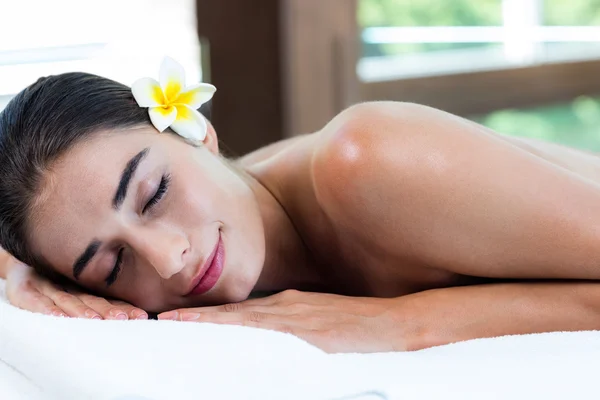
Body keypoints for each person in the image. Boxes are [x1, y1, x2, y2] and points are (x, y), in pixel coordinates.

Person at [2, 59, 600, 354]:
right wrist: (26, 275)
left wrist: (400, 323)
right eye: (110, 265)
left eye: (154, 194)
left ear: (196, 130)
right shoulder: (161, 285)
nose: (168, 260)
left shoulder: (370, 160)